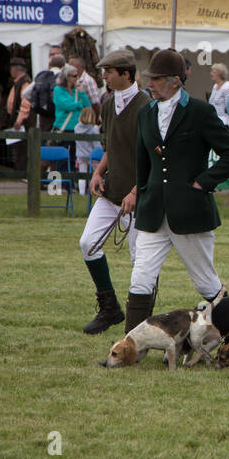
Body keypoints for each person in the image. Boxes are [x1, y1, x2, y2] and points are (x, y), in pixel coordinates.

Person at [125, 48, 229, 330]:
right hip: (153, 211)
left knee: (206, 283)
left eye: (156, 79)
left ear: (175, 81)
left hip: (190, 211)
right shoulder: (145, 113)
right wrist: (139, 195)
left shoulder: (200, 111)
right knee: (140, 278)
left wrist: (202, 182)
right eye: (149, 78)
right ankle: (131, 344)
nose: (150, 84)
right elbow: (143, 162)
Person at [80, 50, 152, 334]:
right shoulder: (108, 104)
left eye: (108, 72)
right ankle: (110, 308)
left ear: (126, 74)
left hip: (139, 197)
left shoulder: (147, 106)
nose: (104, 76)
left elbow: (152, 156)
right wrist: (98, 172)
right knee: (88, 243)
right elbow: (110, 147)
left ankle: (142, 324)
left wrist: (135, 191)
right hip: (111, 192)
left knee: (140, 261)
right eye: (103, 72)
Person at [53, 63, 90, 171]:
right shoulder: (58, 90)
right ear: (67, 76)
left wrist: (82, 93)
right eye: (74, 76)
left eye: (77, 75)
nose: (77, 78)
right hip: (64, 128)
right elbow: (65, 105)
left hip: (77, 128)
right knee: (62, 158)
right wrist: (79, 105)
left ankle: (72, 180)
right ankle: (61, 179)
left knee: (74, 159)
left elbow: (88, 106)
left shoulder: (77, 91)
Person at [4, 58, 33, 172]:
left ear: (16, 70)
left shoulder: (24, 83)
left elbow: (26, 104)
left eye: (12, 68)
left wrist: (19, 120)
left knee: (22, 149)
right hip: (16, 119)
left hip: (22, 122)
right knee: (17, 149)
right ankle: (19, 172)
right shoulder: (18, 83)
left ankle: (21, 173)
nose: (11, 71)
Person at [75, 106, 101, 195]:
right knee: (97, 173)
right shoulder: (94, 128)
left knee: (82, 175)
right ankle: (98, 191)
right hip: (92, 156)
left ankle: (81, 193)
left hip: (81, 155)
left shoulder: (76, 128)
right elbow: (97, 144)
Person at [209, 63, 229, 130]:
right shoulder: (215, 86)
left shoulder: (227, 87)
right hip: (213, 121)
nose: (211, 73)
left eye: (214, 72)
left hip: (223, 122)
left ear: (220, 74)